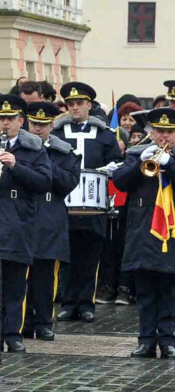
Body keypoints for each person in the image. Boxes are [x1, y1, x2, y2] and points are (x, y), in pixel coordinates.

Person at [0, 95, 51, 353]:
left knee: (15, 284)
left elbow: (45, 181)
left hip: (19, 223)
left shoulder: (34, 149)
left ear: (20, 121)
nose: (5, 124)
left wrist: (16, 167)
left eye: (10, 119)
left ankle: (13, 334)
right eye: (1, 119)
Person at [54, 82, 123, 322]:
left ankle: (86, 304)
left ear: (89, 105)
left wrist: (108, 169)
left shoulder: (104, 135)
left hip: (95, 205)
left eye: (79, 103)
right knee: (67, 255)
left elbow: (117, 162)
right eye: (70, 104)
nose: (74, 108)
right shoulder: (58, 134)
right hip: (65, 204)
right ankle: (68, 302)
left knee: (91, 256)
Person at [114, 108, 175, 358]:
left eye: (169, 132)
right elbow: (119, 182)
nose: (163, 137)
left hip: (170, 233)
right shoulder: (138, 154)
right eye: (159, 131)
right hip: (143, 230)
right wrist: (140, 163)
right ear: (150, 131)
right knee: (146, 290)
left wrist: (169, 163)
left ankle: (169, 339)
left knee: (170, 290)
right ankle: (146, 339)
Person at [21, 101, 78, 341]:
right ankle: (23, 322)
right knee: (21, 277)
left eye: (43, 125)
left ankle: (44, 322)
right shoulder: (19, 149)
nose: (38, 129)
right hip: (23, 217)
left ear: (52, 125)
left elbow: (69, 182)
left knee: (45, 278)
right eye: (34, 124)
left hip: (49, 219)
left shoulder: (64, 151)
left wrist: (45, 163)